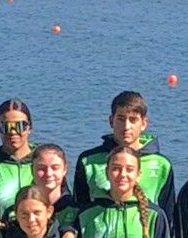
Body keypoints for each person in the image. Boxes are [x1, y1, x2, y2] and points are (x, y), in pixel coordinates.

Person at [73, 90, 177, 221]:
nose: (126, 126)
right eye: (121, 119)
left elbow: (168, 217)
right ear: (111, 121)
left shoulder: (162, 164)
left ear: (144, 123)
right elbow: (79, 209)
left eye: (133, 120)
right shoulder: (88, 161)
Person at [30, 143, 80, 233]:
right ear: (31, 170)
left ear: (65, 169)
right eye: (41, 168)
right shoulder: (22, 207)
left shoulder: (76, 209)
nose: (48, 173)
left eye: (55, 168)